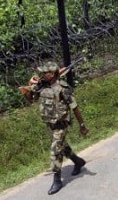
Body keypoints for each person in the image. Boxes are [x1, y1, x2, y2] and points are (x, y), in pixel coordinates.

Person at [23, 62, 89, 195]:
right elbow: (30, 99)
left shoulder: (62, 88)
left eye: (44, 73)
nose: (41, 75)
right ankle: (78, 162)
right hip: (50, 124)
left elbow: (74, 107)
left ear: (52, 74)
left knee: (55, 151)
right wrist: (29, 86)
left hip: (61, 125)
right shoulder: (42, 86)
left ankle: (57, 179)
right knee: (62, 147)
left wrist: (82, 125)